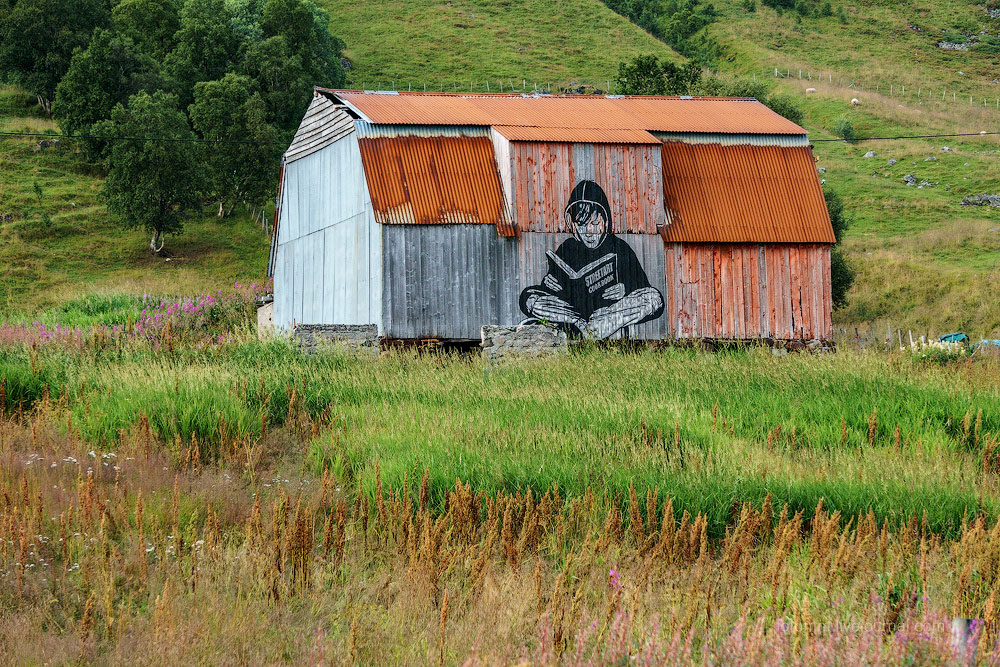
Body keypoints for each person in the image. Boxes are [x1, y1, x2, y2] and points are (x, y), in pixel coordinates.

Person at [519, 180, 663, 339]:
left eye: (594, 223)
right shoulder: (567, 249)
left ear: (605, 221)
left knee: (653, 297)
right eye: (581, 225)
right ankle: (576, 324)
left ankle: (591, 327)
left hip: (607, 313)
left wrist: (625, 290)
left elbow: (643, 288)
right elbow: (556, 294)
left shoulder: (619, 248)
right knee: (529, 298)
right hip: (572, 311)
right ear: (573, 225)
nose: (588, 231)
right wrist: (549, 284)